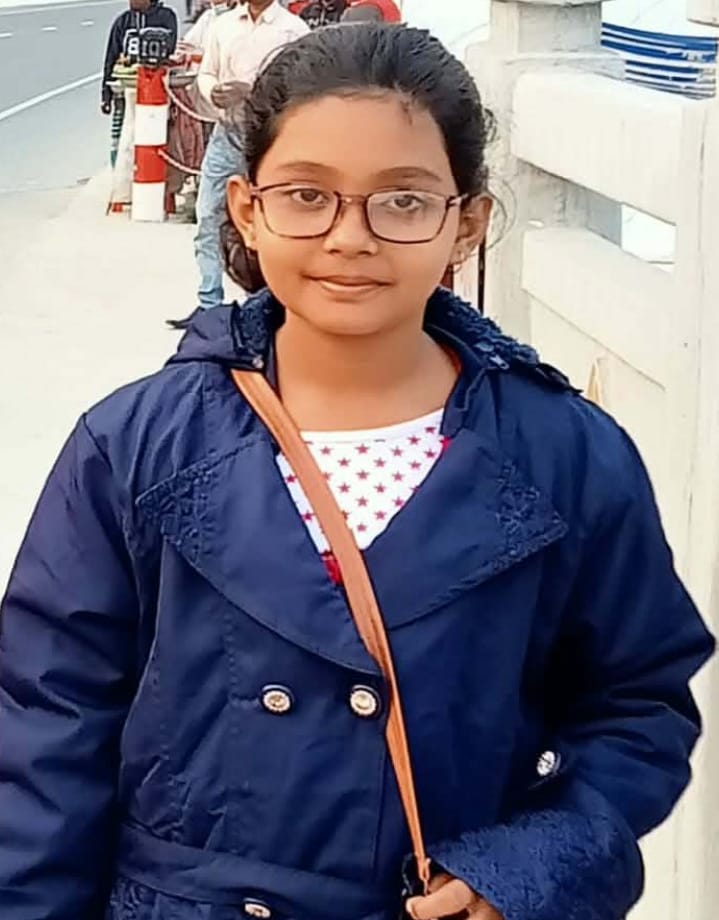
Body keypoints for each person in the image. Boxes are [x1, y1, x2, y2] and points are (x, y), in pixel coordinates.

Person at [0, 23, 714, 920]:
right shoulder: (135, 444)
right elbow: (45, 729)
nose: (350, 237)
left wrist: (531, 868)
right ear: (246, 209)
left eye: (402, 201)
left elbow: (636, 703)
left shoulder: (565, 455)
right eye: (306, 195)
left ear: (467, 223)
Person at [167, 0, 309, 329]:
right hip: (226, 134)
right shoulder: (223, 25)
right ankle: (209, 304)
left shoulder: (293, 31)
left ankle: (263, 304)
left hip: (269, 141)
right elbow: (207, 72)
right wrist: (213, 91)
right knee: (208, 215)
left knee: (265, 222)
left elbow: (302, 89)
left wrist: (253, 93)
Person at [101, 0, 178, 164]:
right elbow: (111, 56)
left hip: (157, 92)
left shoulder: (166, 17)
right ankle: (120, 171)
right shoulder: (123, 22)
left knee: (156, 139)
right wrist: (105, 95)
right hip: (126, 91)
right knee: (123, 140)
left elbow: (170, 50)